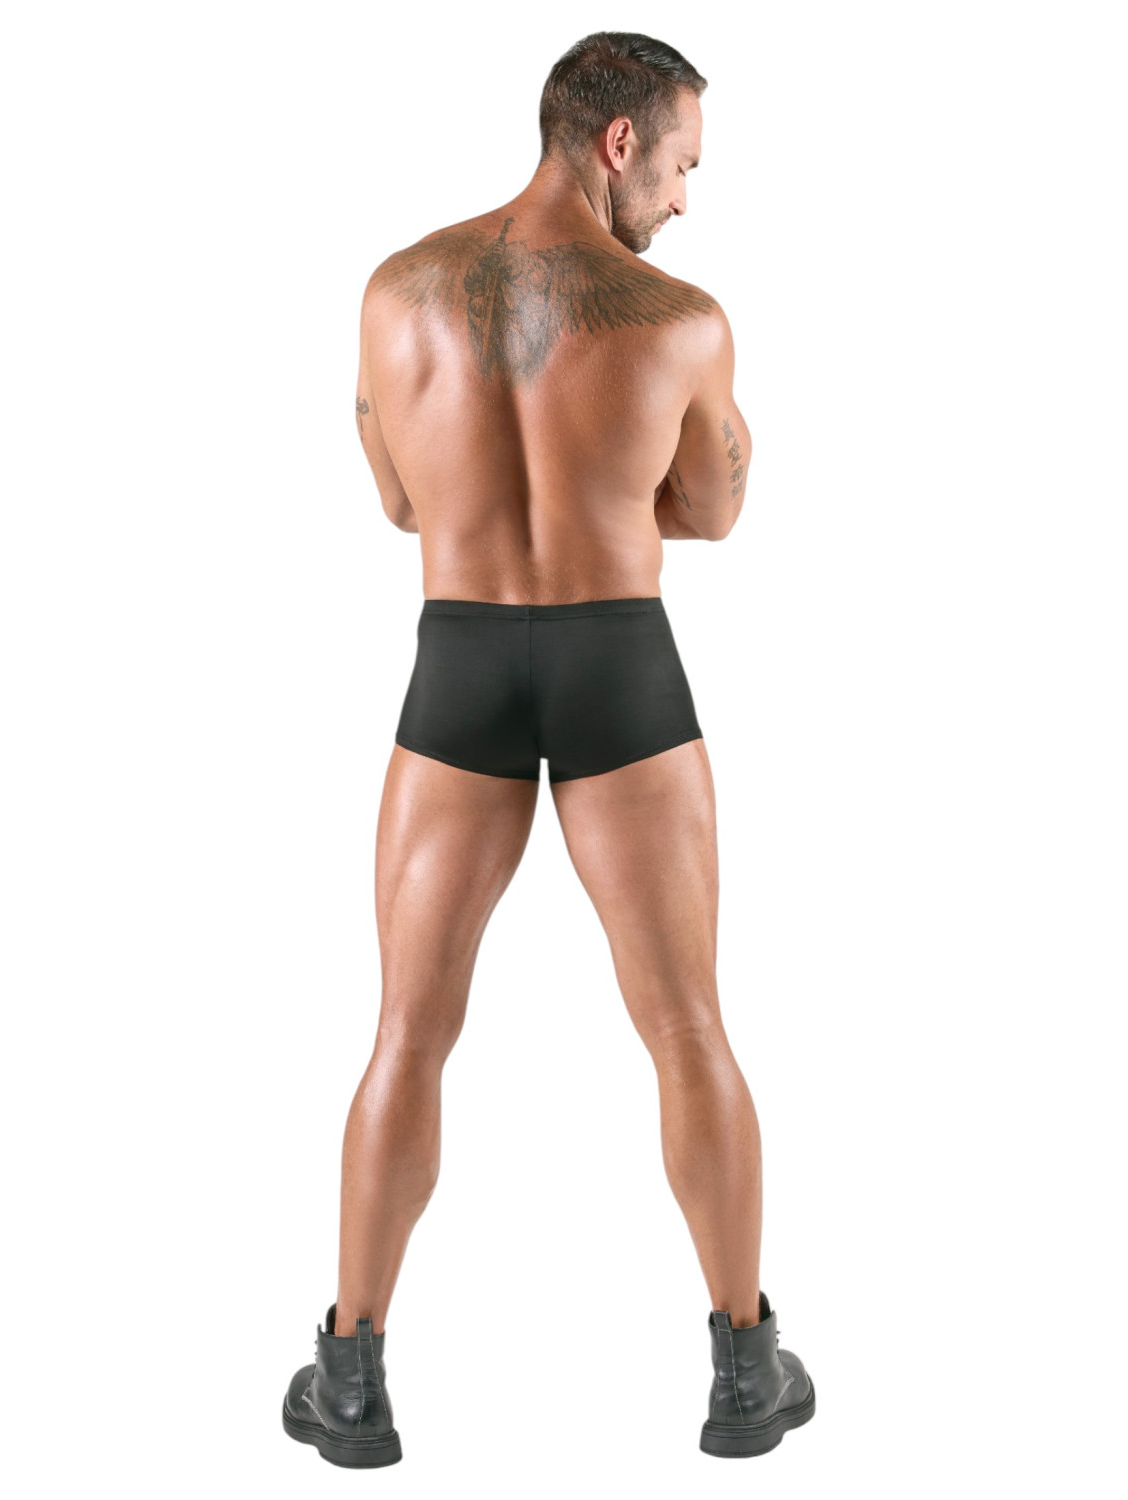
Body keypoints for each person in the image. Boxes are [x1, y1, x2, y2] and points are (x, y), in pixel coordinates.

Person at [282, 31, 814, 1466]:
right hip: (617, 663)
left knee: (407, 1032)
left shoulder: (396, 293)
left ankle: (350, 1378)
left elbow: (400, 500)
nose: (687, 200)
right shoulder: (681, 321)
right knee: (688, 1027)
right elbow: (713, 512)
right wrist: (629, 481)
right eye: (683, 164)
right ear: (619, 142)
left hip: (459, 660)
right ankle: (746, 1371)